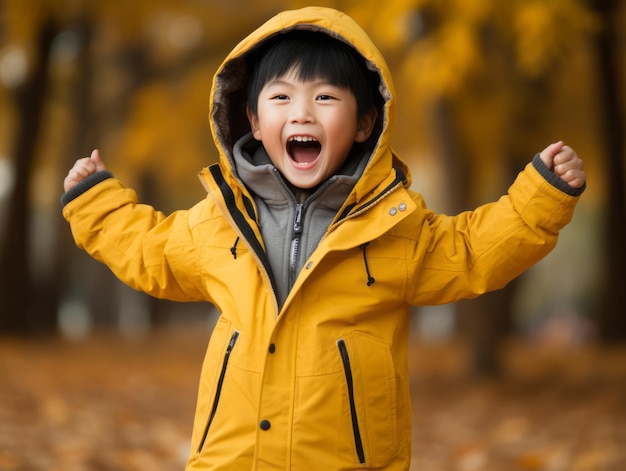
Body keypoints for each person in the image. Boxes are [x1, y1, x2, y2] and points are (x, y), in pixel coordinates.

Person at [61, 6, 586, 470]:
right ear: (254, 119)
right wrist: (96, 204)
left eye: (325, 97)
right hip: (234, 459)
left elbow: (472, 252)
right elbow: (153, 251)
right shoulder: (219, 221)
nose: (302, 112)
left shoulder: (392, 229)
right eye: (281, 96)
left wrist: (541, 196)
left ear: (364, 124)